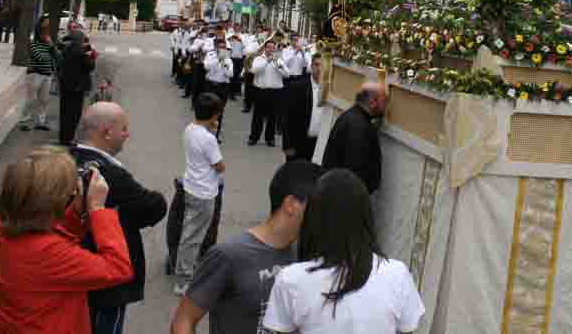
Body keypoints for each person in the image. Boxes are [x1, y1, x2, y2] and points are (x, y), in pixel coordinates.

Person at [0, 146, 133, 334]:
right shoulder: (47, 252)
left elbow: (52, 229)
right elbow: (118, 268)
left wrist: (76, 211)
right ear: (54, 201)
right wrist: (98, 210)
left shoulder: (3, 226)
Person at [262, 168, 425, 334]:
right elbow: (407, 330)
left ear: (315, 218)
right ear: (366, 216)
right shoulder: (397, 274)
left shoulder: (291, 279)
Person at [170, 160, 323, 334]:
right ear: (291, 205)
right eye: (320, 207)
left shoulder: (308, 254)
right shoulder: (229, 255)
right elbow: (183, 320)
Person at [71, 103, 167, 334]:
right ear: (106, 132)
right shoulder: (110, 175)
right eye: (123, 128)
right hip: (105, 285)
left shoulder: (63, 160)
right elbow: (154, 207)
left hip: (71, 274)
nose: (127, 134)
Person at [175, 93, 226, 295]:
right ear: (214, 115)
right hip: (204, 192)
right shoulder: (208, 139)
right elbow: (220, 166)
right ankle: (183, 279)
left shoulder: (190, 129)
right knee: (193, 236)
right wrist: (212, 134)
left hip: (192, 186)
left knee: (190, 232)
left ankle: (185, 269)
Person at [322, 83, 386, 193]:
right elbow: (355, 170)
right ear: (372, 102)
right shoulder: (359, 126)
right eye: (384, 101)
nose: (385, 106)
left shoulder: (352, 116)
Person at [248, 38, 289, 147]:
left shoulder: (279, 60)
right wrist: (267, 61)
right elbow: (254, 70)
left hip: (275, 92)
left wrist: (277, 65)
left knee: (272, 117)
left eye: (273, 48)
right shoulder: (258, 59)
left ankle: (270, 139)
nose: (271, 49)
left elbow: (287, 74)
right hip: (261, 91)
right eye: (269, 47)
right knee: (258, 116)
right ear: (265, 48)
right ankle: (254, 137)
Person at [22, 15, 60, 132]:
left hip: (47, 74)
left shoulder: (49, 43)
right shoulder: (33, 42)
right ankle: (26, 121)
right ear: (39, 28)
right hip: (35, 74)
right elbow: (39, 57)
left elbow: (57, 55)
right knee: (31, 99)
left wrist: (51, 46)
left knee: (44, 99)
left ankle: (40, 121)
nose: (46, 31)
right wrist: (50, 55)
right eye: (44, 28)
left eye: (47, 29)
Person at [59, 29, 96, 146]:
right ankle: (70, 138)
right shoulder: (82, 52)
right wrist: (90, 54)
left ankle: (63, 138)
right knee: (74, 113)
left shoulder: (66, 50)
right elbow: (90, 67)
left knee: (64, 112)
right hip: (78, 87)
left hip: (65, 85)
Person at [228, 32, 244, 100]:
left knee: (238, 76)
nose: (236, 38)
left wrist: (240, 40)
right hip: (233, 59)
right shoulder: (231, 41)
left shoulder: (242, 41)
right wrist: (232, 38)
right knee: (232, 76)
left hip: (240, 60)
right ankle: (231, 93)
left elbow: (245, 47)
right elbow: (228, 43)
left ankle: (236, 91)